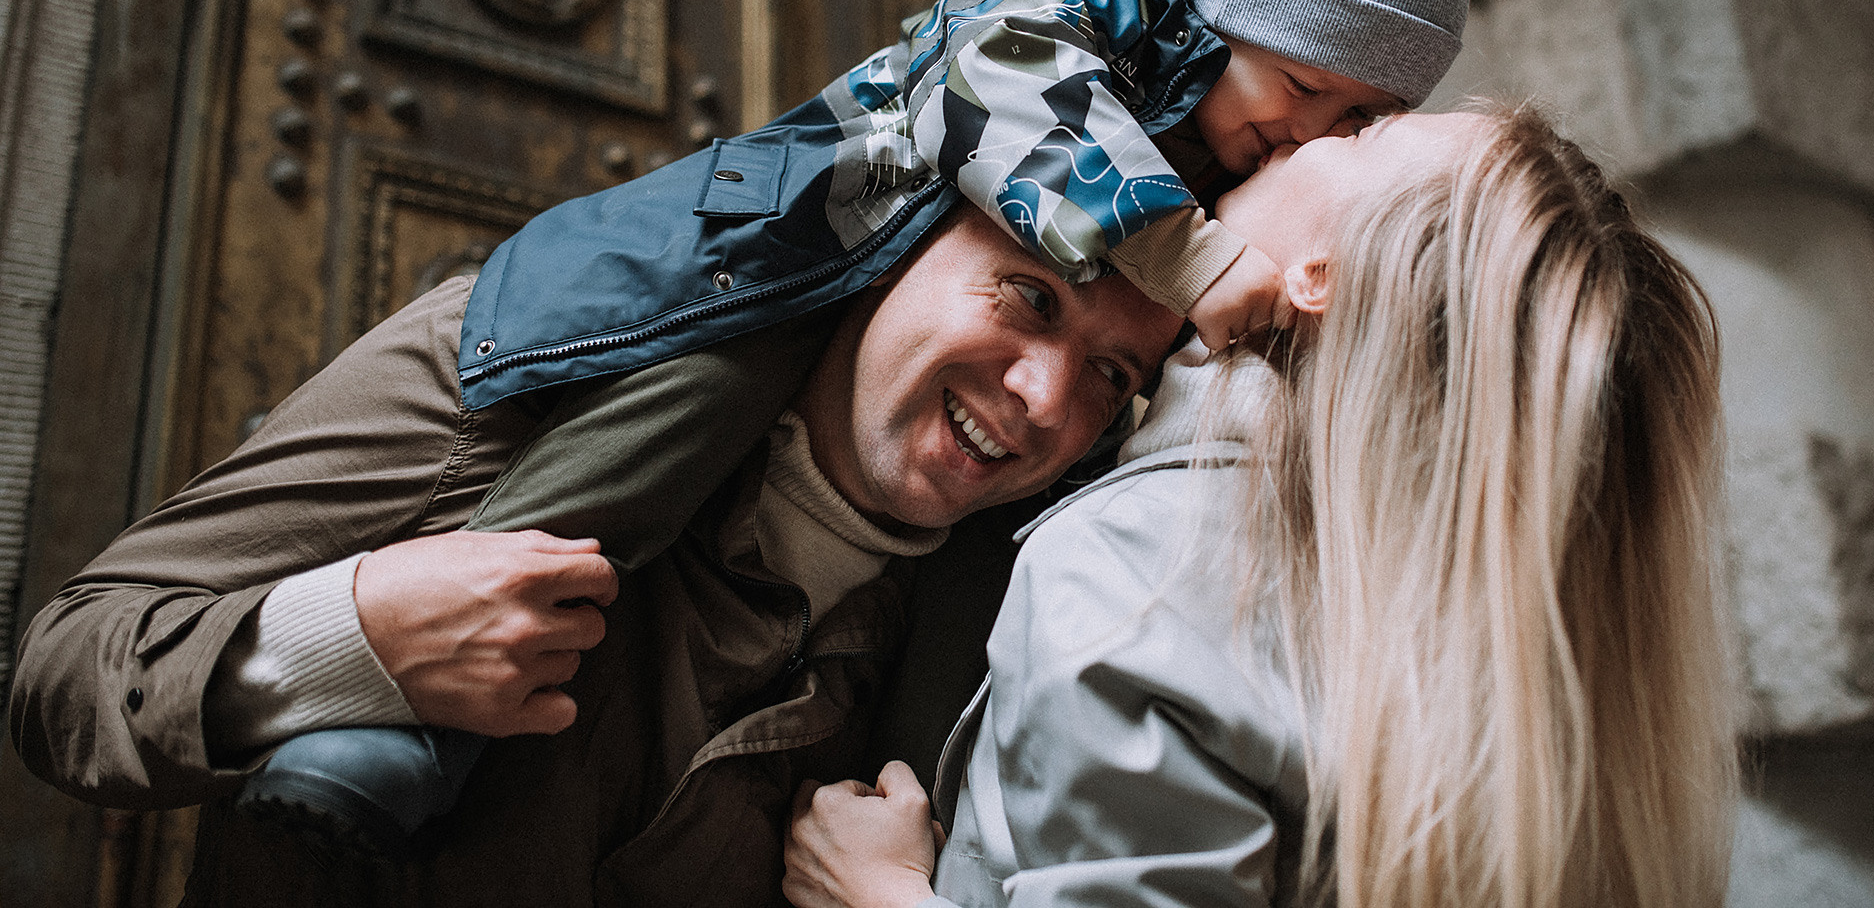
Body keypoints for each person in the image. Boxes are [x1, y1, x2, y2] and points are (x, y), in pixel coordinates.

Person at [209, 0, 1478, 843]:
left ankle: (910, 807)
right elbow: (1005, 88)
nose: (1315, 136)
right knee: (661, 425)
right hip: (797, 257)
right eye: (1308, 91)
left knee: (988, 582)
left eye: (1363, 118)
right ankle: (403, 727)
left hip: (930, 395)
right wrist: (1191, 259)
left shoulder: (1239, 134)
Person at [7, 203, 1184, 907]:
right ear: (897, 246)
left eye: (1110, 372)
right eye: (1027, 295)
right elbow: (70, 671)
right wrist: (350, 637)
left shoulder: (1002, 646)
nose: (1040, 397)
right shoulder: (524, 383)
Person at [782, 104, 1739, 908]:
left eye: (1364, 137)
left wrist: (884, 892)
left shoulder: (1144, 566)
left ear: (1315, 275)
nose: (1313, 128)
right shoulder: (1475, 633)